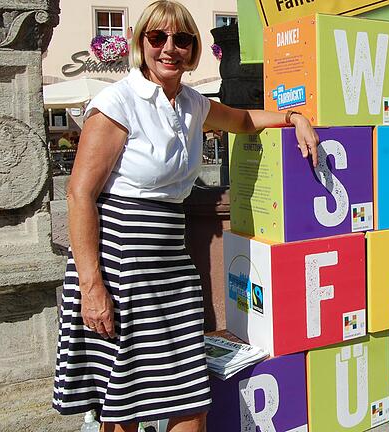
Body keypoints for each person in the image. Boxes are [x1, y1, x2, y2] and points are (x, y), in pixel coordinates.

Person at [53, 2, 319, 431]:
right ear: (142, 43)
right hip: (120, 268)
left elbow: (245, 120)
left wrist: (293, 117)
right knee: (125, 410)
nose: (169, 48)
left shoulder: (192, 103)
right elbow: (79, 194)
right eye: (158, 38)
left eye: (182, 39)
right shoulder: (117, 102)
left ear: (194, 47)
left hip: (172, 266)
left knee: (190, 398)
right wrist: (91, 288)